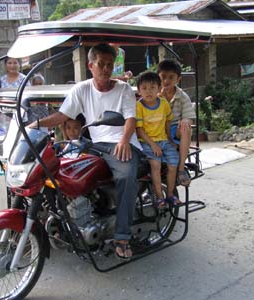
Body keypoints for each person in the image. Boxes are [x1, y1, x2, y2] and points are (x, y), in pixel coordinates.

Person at [29, 43, 141, 260]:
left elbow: (130, 118)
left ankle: (122, 236)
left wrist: (125, 140)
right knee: (63, 171)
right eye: (101, 64)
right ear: (91, 65)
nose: (106, 69)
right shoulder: (81, 89)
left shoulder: (124, 89)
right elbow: (62, 116)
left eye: (110, 65)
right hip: (95, 144)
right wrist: (36, 125)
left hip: (122, 143)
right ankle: (74, 220)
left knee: (126, 177)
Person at [135, 71, 181, 208]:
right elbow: (139, 130)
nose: (148, 91)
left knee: (173, 165)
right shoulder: (139, 106)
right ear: (139, 91)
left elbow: (167, 122)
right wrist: (153, 145)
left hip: (163, 140)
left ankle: (171, 195)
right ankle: (160, 197)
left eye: (152, 88)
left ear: (159, 88)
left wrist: (169, 139)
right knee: (156, 165)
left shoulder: (163, 103)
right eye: (144, 88)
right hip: (146, 142)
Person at [157, 59, 196, 186]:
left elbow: (189, 116)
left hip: (175, 128)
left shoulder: (183, 96)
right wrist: (160, 98)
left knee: (186, 127)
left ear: (178, 79)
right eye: (163, 77)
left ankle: (181, 169)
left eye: (171, 77)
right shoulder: (154, 94)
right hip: (158, 128)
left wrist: (185, 120)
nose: (166, 81)